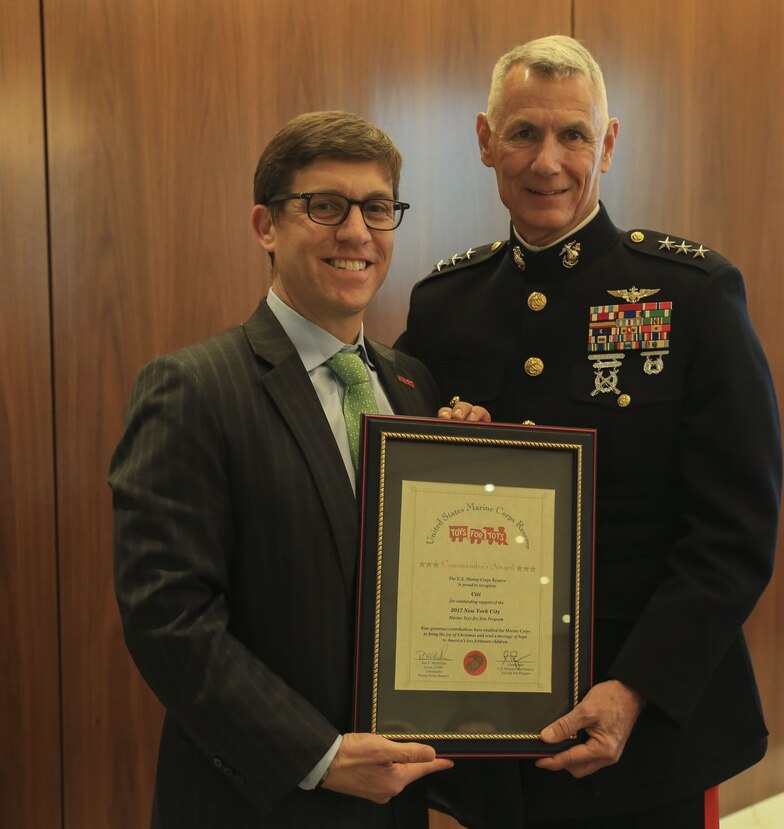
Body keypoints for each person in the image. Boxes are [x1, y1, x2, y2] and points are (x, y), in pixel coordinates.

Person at [396, 36, 782, 829]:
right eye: (523, 133)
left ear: (606, 143)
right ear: (483, 140)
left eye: (573, 134)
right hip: (484, 715)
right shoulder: (443, 305)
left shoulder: (693, 294)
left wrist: (634, 687)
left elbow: (734, 533)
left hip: (645, 727)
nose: (547, 162)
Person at [110, 110, 489, 829]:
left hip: (399, 799)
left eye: (377, 208)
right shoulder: (191, 388)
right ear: (265, 226)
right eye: (325, 206)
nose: (356, 233)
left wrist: (478, 474)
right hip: (260, 799)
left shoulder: (414, 386)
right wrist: (319, 752)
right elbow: (170, 620)